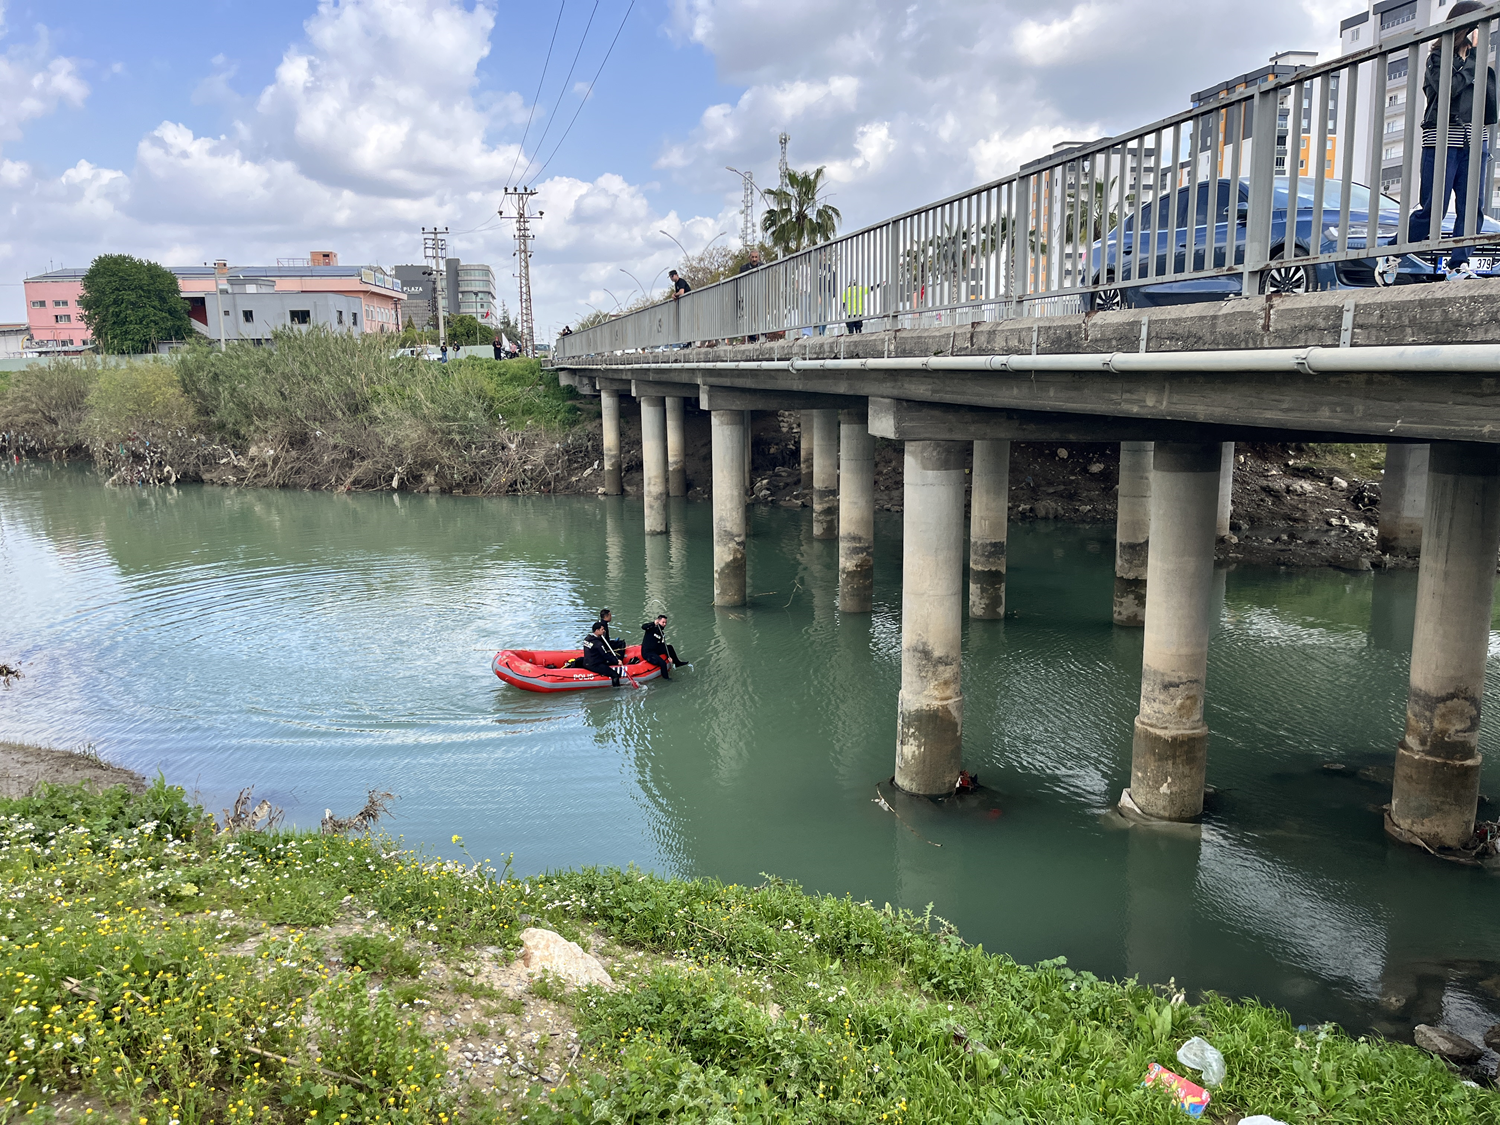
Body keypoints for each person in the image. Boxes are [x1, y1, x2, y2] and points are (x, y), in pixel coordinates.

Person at [1405, 0, 1498, 275]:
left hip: (1475, 142)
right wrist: (1475, 58)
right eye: (1479, 25)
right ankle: (1393, 250)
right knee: (1434, 209)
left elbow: (1488, 108)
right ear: (1465, 26)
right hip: (1442, 141)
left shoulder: (1479, 64)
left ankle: (1459, 264)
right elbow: (1452, 88)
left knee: (1472, 209)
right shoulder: (1438, 59)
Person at [640, 613, 685, 679]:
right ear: (658, 621)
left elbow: (663, 645)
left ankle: (677, 663)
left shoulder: (661, 633)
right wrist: (653, 623)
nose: (664, 624)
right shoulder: (651, 628)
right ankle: (666, 678)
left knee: (669, 647)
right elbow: (643, 626)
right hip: (648, 652)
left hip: (655, 649)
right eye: (663, 622)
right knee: (662, 663)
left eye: (665, 623)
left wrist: (669, 657)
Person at [577, 622, 621, 686]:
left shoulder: (587, 639)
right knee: (615, 675)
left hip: (587, 662)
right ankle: (616, 690)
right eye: (602, 629)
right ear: (597, 630)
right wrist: (617, 661)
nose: (604, 631)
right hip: (594, 665)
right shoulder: (598, 644)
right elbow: (605, 655)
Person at [739, 250, 763, 342]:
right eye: (752, 257)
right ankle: (752, 338)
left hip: (759, 295)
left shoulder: (762, 266)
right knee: (749, 317)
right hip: (748, 295)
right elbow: (740, 281)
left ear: (758, 258)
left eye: (756, 257)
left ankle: (762, 335)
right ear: (749, 258)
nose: (754, 259)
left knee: (760, 316)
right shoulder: (743, 268)